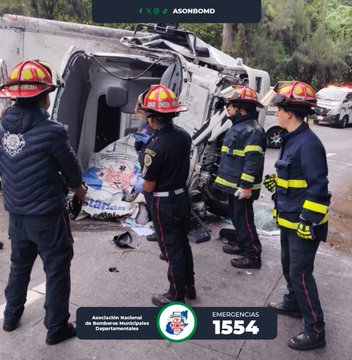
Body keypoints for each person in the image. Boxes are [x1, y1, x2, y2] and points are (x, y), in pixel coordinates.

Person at [0, 60, 87, 345]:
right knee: (57, 269)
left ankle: (11, 317)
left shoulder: (2, 127)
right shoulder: (53, 132)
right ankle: (56, 328)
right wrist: (80, 191)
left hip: (17, 215)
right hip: (48, 216)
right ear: (43, 97)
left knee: (19, 266)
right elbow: (73, 172)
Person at [264, 81, 330, 351]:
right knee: (288, 264)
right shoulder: (292, 139)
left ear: (289, 112)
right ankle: (292, 304)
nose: (276, 113)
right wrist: (277, 184)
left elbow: (319, 189)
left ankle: (315, 330)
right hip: (289, 220)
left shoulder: (308, 144)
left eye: (278, 109)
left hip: (303, 224)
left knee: (302, 275)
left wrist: (308, 221)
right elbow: (296, 178)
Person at [139, 84, 196, 306]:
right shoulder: (183, 136)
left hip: (164, 202)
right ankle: (189, 287)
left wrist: (141, 182)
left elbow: (149, 186)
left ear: (152, 118)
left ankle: (176, 294)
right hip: (182, 196)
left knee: (172, 249)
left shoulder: (154, 146)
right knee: (183, 244)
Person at [214, 86, 266, 269]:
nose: (227, 108)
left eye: (231, 105)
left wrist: (245, 187)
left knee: (244, 220)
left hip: (241, 188)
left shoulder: (253, 131)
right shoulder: (240, 127)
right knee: (237, 219)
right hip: (233, 186)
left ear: (242, 109)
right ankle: (242, 245)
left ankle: (252, 255)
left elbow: (252, 162)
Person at [133, 90, 158, 242]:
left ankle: (159, 229)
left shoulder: (155, 126)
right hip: (146, 168)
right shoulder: (145, 123)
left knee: (154, 200)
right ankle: (157, 226)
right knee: (150, 200)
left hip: (153, 170)